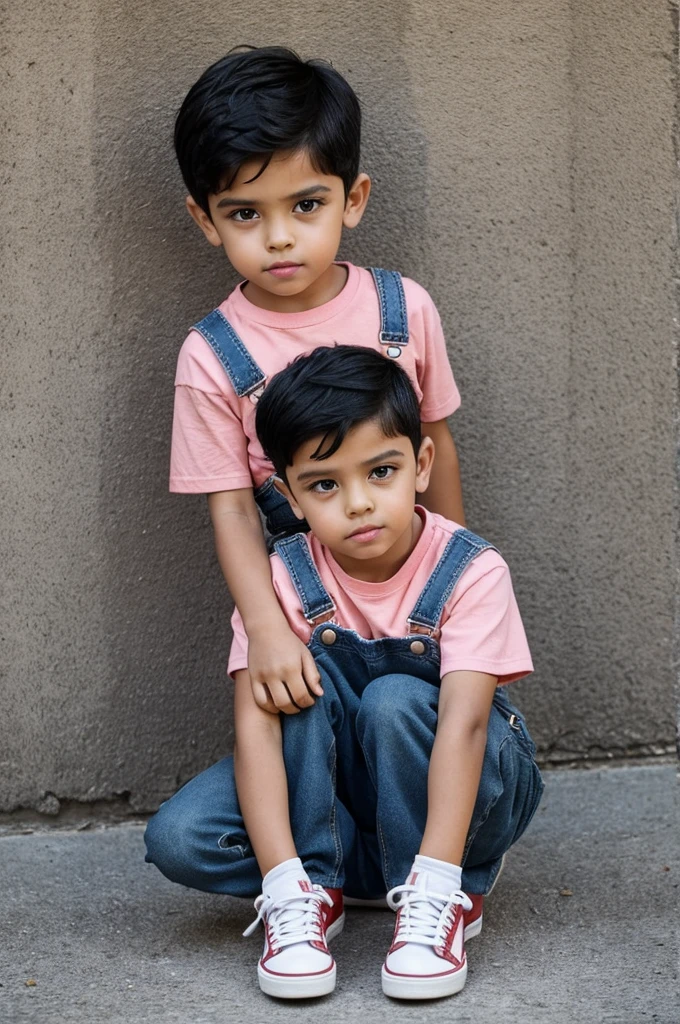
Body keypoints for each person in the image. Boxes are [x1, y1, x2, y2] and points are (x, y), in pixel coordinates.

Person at [146, 346, 543, 1001]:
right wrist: (280, 877)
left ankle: (439, 893)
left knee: (392, 700)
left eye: (381, 471)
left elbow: (469, 725)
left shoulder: (470, 570)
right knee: (183, 837)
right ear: (290, 495)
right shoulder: (283, 576)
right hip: (340, 800)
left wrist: (439, 877)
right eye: (326, 484)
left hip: (465, 787)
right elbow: (257, 729)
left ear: (421, 466)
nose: (358, 504)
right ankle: (317, 891)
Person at [170, 45, 465, 718]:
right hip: (304, 619)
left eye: (306, 205)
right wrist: (267, 629)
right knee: (185, 832)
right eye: (246, 213)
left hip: (411, 599)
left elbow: (438, 448)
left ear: (352, 199)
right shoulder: (213, 354)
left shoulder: (405, 312)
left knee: (406, 724)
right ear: (205, 219)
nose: (279, 237)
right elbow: (235, 508)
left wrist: (451, 585)